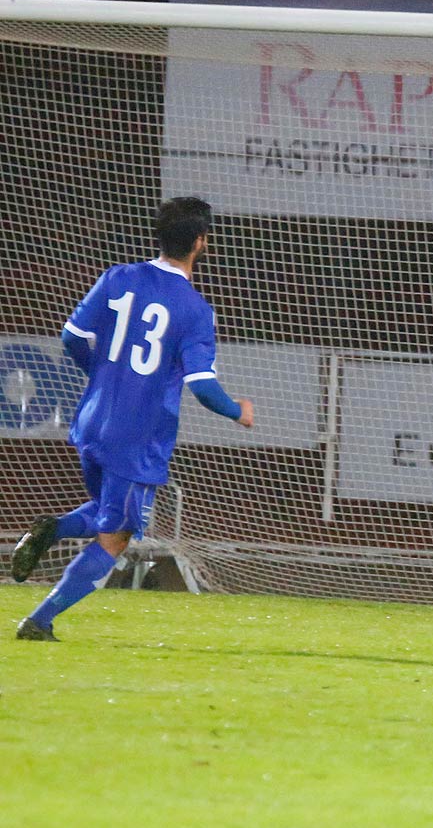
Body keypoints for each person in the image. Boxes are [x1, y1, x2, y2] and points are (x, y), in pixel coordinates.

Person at [10, 197, 254, 641]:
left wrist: (104, 374)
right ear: (201, 242)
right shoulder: (194, 309)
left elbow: (73, 337)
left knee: (112, 511)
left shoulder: (117, 277)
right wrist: (239, 411)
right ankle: (39, 621)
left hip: (91, 419)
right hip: (137, 436)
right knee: (117, 536)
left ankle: (54, 529)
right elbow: (202, 386)